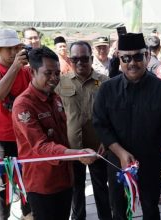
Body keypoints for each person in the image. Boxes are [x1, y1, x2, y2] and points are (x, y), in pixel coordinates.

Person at [93, 33, 161, 220]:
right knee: (119, 210)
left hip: (151, 162)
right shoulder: (107, 89)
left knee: (150, 208)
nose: (132, 62)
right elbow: (100, 124)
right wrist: (120, 152)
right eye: (126, 58)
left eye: (137, 56)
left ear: (147, 56)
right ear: (119, 58)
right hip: (118, 163)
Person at [12, 46, 96, 220]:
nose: (54, 78)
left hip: (64, 179)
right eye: (48, 73)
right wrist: (77, 154)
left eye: (57, 73)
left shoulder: (55, 98)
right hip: (43, 184)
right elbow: (41, 147)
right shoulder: (23, 105)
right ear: (32, 72)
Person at [0, 28, 32, 220]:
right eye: (7, 48)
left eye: (16, 47)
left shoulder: (26, 71)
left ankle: (30, 216)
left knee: (28, 181)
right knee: (3, 185)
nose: (12, 52)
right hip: (1, 137)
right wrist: (15, 68)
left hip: (26, 136)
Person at [56, 41, 112, 220]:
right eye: (75, 59)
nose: (80, 62)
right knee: (76, 190)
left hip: (98, 148)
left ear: (91, 58)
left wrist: (107, 140)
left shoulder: (104, 82)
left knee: (101, 189)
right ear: (70, 59)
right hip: (72, 149)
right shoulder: (60, 83)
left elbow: (112, 114)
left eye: (84, 58)